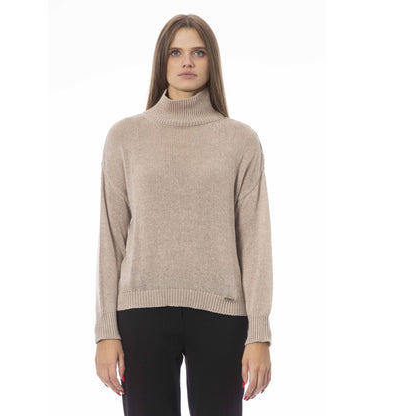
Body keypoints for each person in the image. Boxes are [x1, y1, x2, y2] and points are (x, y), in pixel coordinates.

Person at [94, 14, 273, 416]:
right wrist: (105, 330)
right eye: (175, 52)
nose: (187, 62)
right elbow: (111, 237)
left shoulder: (240, 141)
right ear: (162, 61)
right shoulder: (125, 137)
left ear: (212, 62)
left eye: (198, 52)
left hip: (223, 314)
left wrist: (259, 333)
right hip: (141, 314)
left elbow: (255, 241)